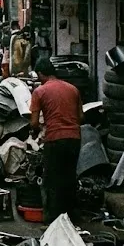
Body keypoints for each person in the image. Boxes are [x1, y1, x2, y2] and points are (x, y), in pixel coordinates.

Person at [30, 57, 83, 224]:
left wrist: (37, 132)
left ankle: (53, 219)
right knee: (69, 177)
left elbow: (33, 123)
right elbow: (81, 116)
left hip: (54, 139)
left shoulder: (39, 92)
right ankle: (72, 216)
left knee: (52, 179)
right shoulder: (73, 89)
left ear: (40, 73)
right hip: (74, 138)